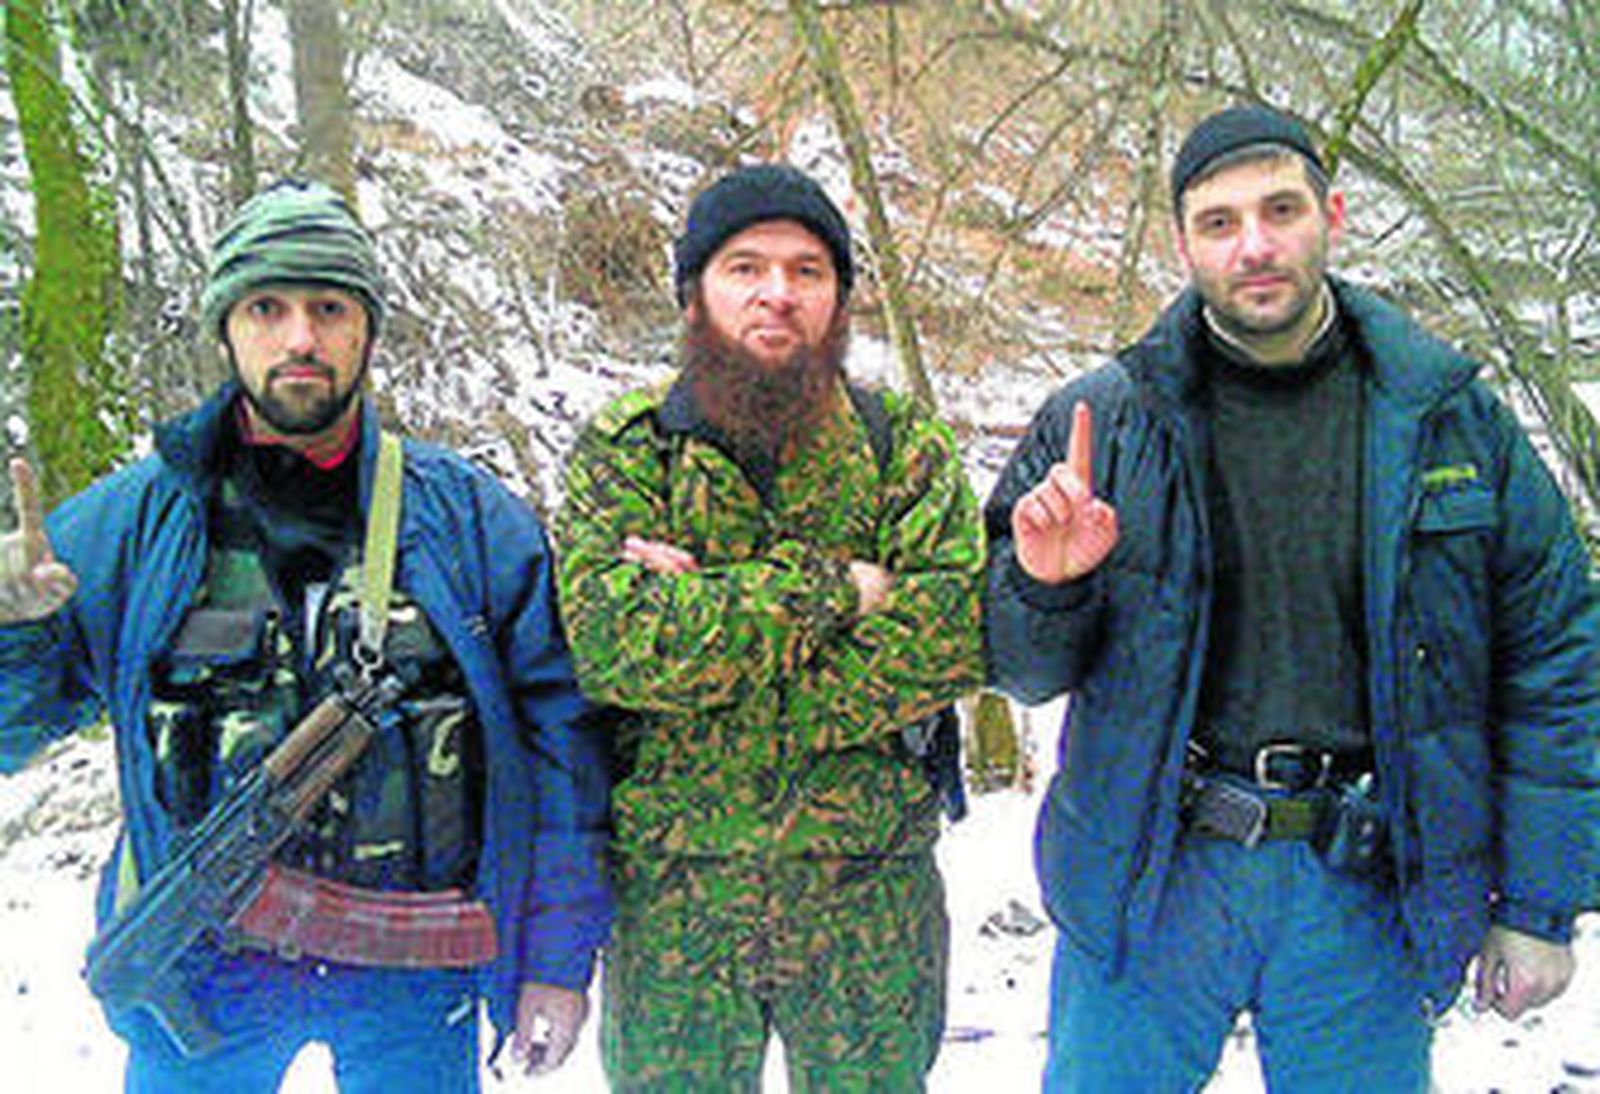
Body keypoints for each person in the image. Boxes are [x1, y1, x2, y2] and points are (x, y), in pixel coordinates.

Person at [984, 104, 1600, 1091]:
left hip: (1364, 876)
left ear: (1333, 214)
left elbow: (1555, 656)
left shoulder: (1445, 417)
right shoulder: (1106, 421)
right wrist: (1044, 585)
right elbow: (1020, 668)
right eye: (1219, 222)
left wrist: (1537, 902)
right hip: (1155, 867)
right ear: (1180, 242)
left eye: (1281, 210)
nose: (1255, 245)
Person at [0, 179, 611, 1091]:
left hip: (415, 976)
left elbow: (560, 742)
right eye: (267, 307)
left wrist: (556, 960)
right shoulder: (128, 525)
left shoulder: (471, 521)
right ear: (225, 326)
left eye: (329, 308)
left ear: (366, 328)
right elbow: (13, 732)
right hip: (203, 973)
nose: (300, 339)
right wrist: (14, 631)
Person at [556, 162, 984, 1091]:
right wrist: (835, 592)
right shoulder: (628, 449)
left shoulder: (900, 446)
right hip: (676, 904)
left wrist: (705, 636)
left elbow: (946, 637)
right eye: (745, 267)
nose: (777, 294)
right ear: (694, 294)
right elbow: (612, 644)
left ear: (839, 299)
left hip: (868, 894)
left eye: (807, 271)